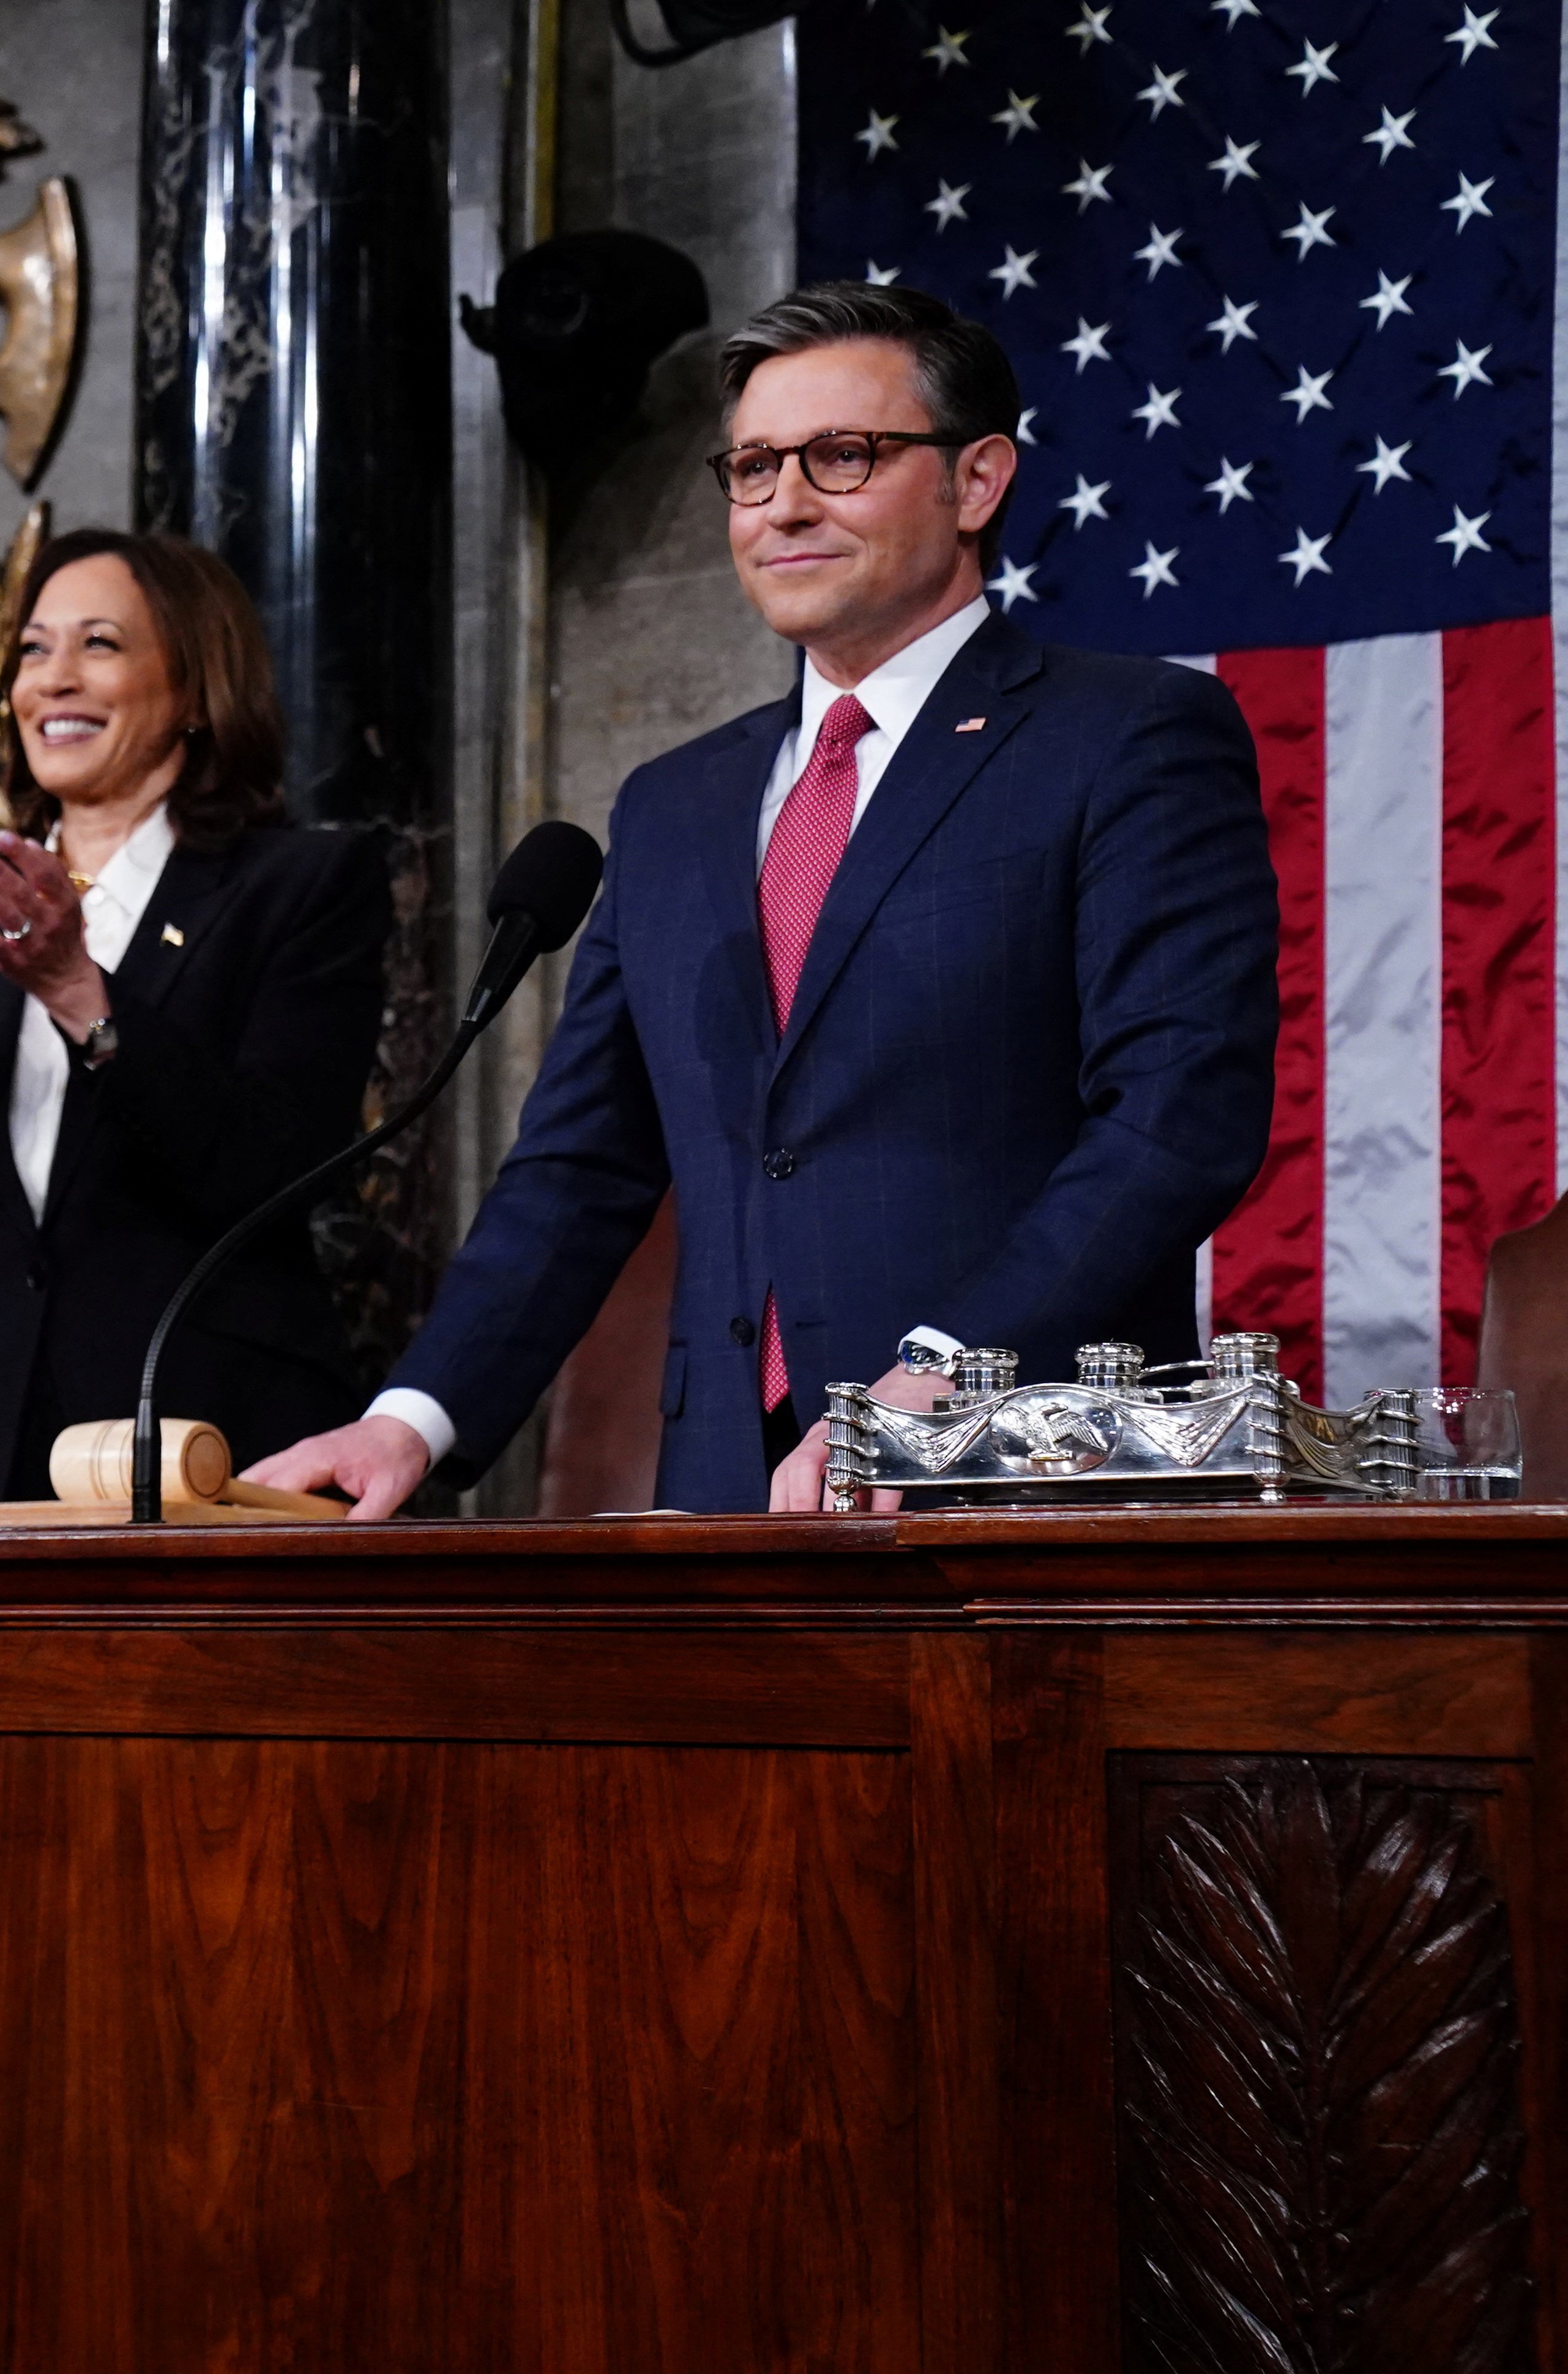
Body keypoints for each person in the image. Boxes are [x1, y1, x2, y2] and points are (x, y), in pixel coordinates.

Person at [251, 280, 1277, 1517]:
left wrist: (942, 1378)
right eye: (750, 466)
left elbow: (1176, 1118)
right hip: (730, 1495)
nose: (784, 502)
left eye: (843, 456)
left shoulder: (1126, 736)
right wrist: (413, 1420)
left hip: (1023, 1481)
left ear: (979, 480)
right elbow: (581, 1164)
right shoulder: (676, 805)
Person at [0, 530, 390, 1521]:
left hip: (208, 1446)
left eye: (100, 645)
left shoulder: (300, 889)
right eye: (33, 651)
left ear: (197, 691)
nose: (54, 680)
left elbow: (269, 1168)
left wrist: (83, 995)